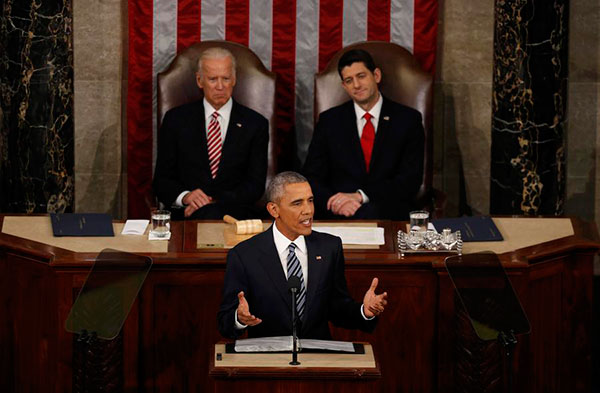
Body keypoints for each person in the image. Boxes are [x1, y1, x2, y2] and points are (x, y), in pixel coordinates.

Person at [217, 171, 388, 339]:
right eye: (297, 203)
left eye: (310, 201)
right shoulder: (244, 255)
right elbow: (225, 323)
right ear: (274, 209)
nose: (308, 210)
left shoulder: (329, 248)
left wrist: (364, 311)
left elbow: (337, 309)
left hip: (317, 358)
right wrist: (239, 318)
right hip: (269, 359)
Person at [303, 49, 424, 220]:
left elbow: (410, 180)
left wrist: (360, 196)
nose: (357, 85)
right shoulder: (329, 121)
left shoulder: (407, 120)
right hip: (339, 214)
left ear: (376, 75)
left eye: (361, 76)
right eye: (349, 80)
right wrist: (334, 201)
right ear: (344, 86)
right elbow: (312, 177)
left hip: (389, 212)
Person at [153, 47, 269, 219]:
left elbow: (254, 186)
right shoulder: (175, 120)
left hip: (235, 214)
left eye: (226, 78)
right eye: (213, 79)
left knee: (211, 213)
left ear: (234, 80)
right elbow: (162, 181)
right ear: (200, 80)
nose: (220, 86)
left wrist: (211, 202)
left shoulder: (255, 124)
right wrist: (186, 197)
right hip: (186, 216)